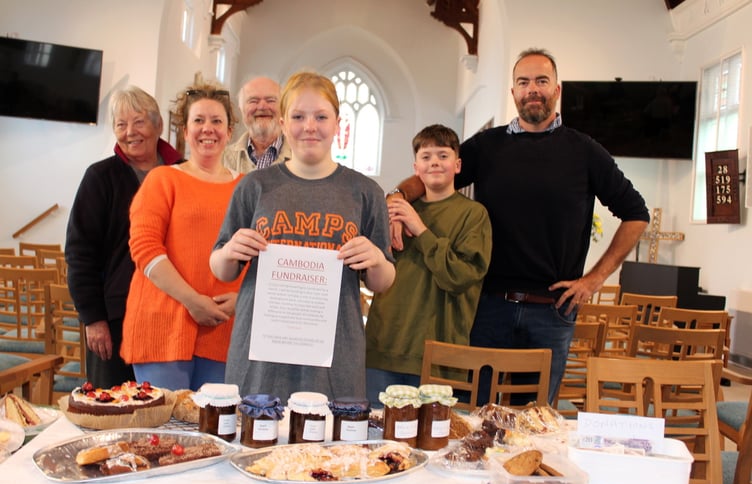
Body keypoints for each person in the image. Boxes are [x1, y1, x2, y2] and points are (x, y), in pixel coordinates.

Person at [389, 48, 650, 406]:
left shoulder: (584, 151)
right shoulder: (488, 146)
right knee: (471, 413)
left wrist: (595, 278)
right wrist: (399, 196)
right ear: (513, 92)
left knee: (533, 419)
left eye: (541, 81)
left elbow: (637, 213)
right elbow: (436, 169)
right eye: (523, 82)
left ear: (557, 90)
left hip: (552, 309)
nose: (533, 89)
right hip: (488, 306)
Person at [210, 71, 395, 402]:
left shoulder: (364, 192)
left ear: (338, 123)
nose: (310, 126)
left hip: (334, 354)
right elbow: (222, 268)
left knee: (329, 448)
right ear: (283, 122)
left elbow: (382, 281)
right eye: (298, 116)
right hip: (262, 352)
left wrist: (377, 260)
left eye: (321, 116)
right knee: (256, 440)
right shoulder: (255, 187)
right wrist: (229, 252)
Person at [120, 82, 245, 391]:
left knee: (215, 431)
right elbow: (145, 248)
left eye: (217, 121)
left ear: (229, 131)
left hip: (224, 328)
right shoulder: (163, 179)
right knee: (164, 433)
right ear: (185, 131)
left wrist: (242, 300)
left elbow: (258, 255)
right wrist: (192, 301)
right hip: (163, 325)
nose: (208, 129)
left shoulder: (246, 188)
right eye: (198, 121)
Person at [365, 124, 492, 405]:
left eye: (443, 155)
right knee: (375, 439)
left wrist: (420, 230)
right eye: (426, 156)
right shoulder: (393, 210)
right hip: (385, 345)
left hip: (439, 355)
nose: (434, 161)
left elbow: (459, 277)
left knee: (434, 442)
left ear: (458, 165)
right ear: (415, 167)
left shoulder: (474, 215)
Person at [66, 86, 183, 389]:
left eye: (139, 122)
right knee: (114, 408)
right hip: (117, 317)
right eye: (121, 124)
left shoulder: (184, 174)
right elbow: (81, 254)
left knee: (167, 407)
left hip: (175, 314)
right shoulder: (100, 178)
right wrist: (93, 319)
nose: (130, 132)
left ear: (159, 125)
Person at [223, 76, 291, 173]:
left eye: (270, 100)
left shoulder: (301, 158)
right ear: (241, 109)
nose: (262, 106)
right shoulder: (223, 159)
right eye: (253, 101)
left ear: (283, 107)